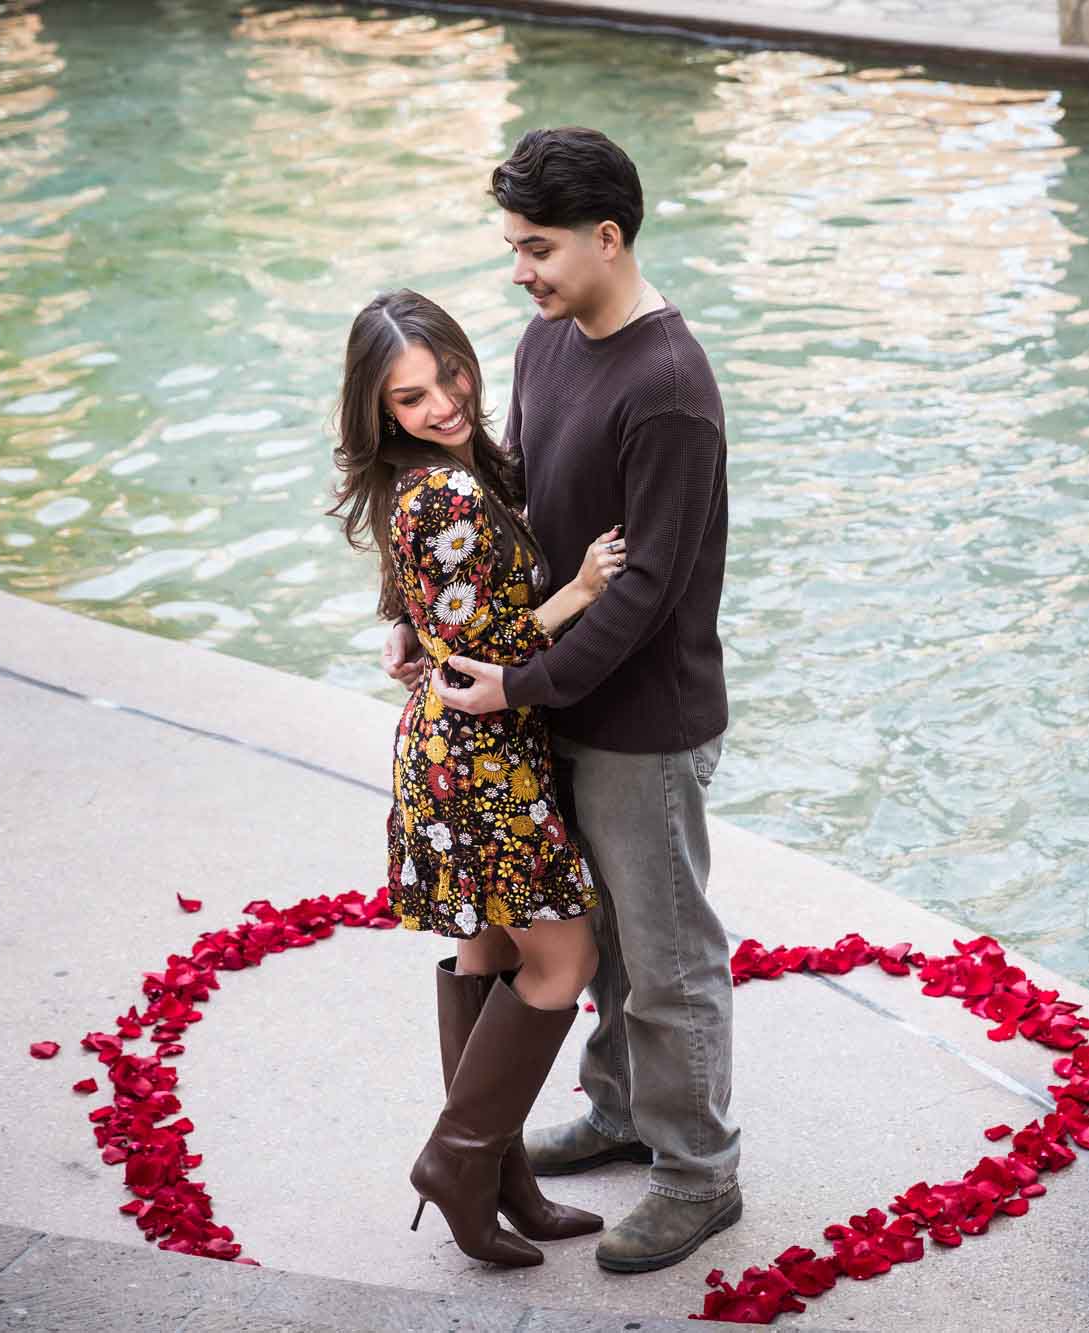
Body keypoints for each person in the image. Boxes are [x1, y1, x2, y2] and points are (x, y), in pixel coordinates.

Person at [416, 126, 740, 1275]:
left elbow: (645, 593)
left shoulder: (669, 390)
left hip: (640, 728)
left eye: (538, 247)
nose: (520, 271)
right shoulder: (545, 341)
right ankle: (614, 1113)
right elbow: (518, 494)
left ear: (609, 238)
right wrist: (444, 624)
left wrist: (518, 681)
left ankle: (697, 1172)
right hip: (551, 696)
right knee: (592, 938)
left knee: (665, 958)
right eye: (511, 246)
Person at [329, 288, 628, 1268]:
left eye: (446, 376)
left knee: (491, 952)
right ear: (380, 414)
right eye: (409, 400)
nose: (442, 404)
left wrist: (405, 625)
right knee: (562, 959)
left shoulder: (438, 478)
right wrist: (582, 589)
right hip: (479, 757)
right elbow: (485, 653)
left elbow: (432, 604)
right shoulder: (445, 492)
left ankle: (501, 1178)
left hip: (459, 754)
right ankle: (458, 1161)